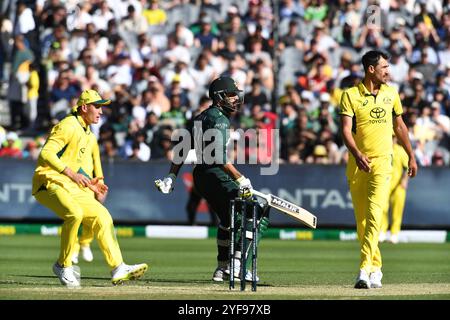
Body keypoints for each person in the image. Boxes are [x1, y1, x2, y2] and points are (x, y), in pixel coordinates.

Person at [155, 76, 269, 282]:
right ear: (219, 97)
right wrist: (241, 178)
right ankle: (239, 266)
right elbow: (218, 157)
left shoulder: (201, 117)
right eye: (231, 95)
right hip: (216, 174)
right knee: (257, 209)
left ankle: (222, 268)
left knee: (227, 219)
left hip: (201, 177)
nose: (236, 99)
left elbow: (181, 149)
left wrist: (171, 175)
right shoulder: (219, 120)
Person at [32, 89, 148, 287]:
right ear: (84, 107)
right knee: (74, 214)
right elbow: (46, 154)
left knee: (103, 217)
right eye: (97, 107)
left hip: (71, 186)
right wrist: (71, 174)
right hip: (48, 182)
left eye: (102, 107)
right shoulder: (68, 125)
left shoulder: (87, 132)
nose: (101, 112)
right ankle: (63, 265)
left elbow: (83, 165)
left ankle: (118, 267)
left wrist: (94, 183)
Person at [340, 50, 417, 289]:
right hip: (357, 164)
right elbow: (345, 130)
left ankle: (364, 269)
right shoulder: (350, 95)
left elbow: (400, 126)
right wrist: (357, 154)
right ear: (371, 69)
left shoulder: (391, 94)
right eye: (384, 67)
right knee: (362, 221)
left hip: (384, 162)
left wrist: (412, 155)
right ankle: (376, 267)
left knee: (375, 215)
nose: (388, 71)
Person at [379, 136, 410, 244]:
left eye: (393, 137)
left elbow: (407, 168)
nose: (391, 139)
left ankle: (394, 233)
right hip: (384, 184)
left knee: (397, 210)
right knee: (382, 208)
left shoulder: (400, 151)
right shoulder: (381, 149)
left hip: (397, 185)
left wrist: (405, 180)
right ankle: (382, 231)